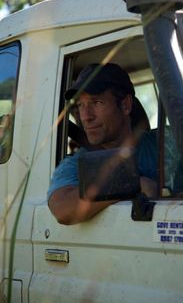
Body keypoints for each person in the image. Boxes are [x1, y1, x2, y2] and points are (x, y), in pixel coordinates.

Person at [48, 63, 158, 225]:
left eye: (96, 102)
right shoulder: (75, 164)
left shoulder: (164, 143)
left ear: (125, 105)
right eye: (80, 105)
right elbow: (62, 208)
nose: (85, 116)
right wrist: (133, 184)